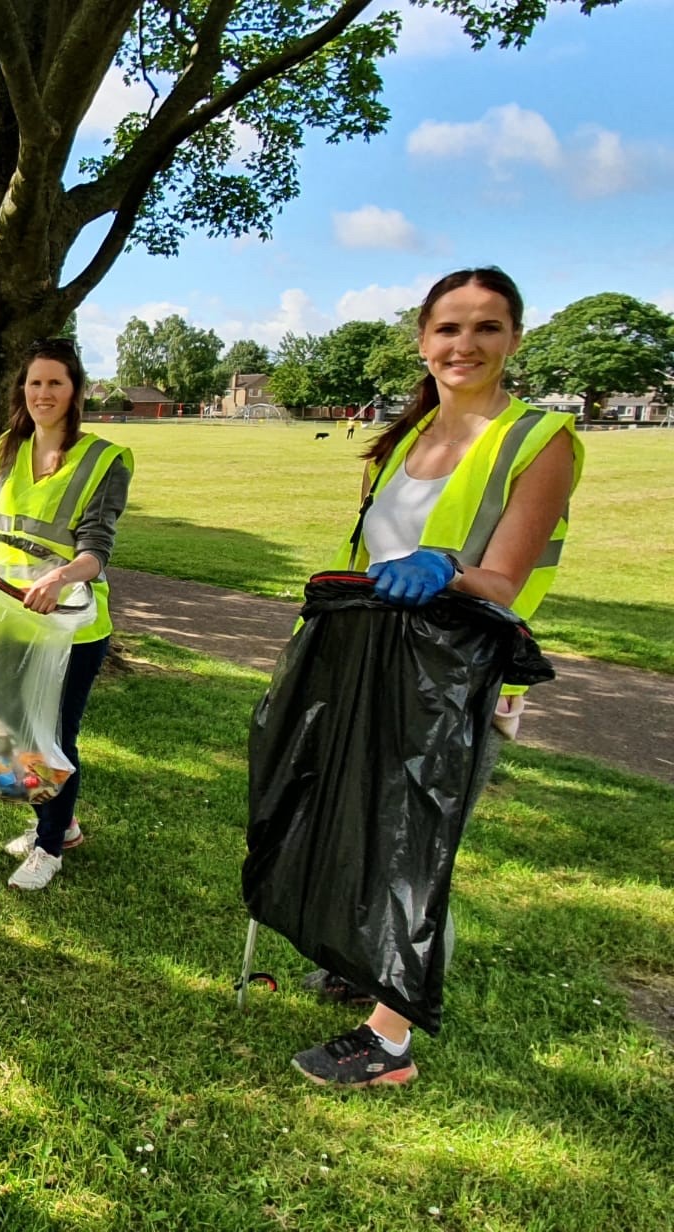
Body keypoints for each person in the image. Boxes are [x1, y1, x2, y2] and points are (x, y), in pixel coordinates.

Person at [290, 267, 582, 1086]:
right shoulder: (401, 441)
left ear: (514, 339)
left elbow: (505, 582)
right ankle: (369, 966)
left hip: (458, 685)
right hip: (370, 669)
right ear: (423, 340)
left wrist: (447, 565)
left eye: (487, 327)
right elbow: (363, 561)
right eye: (449, 328)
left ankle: (389, 1041)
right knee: (364, 826)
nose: (466, 344)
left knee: (419, 847)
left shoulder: (539, 441)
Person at [0, 337, 132, 891]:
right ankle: (55, 821)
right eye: (35, 382)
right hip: (10, 620)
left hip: (72, 625)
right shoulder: (4, 452)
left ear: (75, 391)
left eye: (55, 382)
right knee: (5, 728)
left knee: (54, 734)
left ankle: (51, 846)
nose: (43, 393)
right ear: (23, 390)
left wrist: (59, 578)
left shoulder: (103, 459)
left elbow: (95, 548)